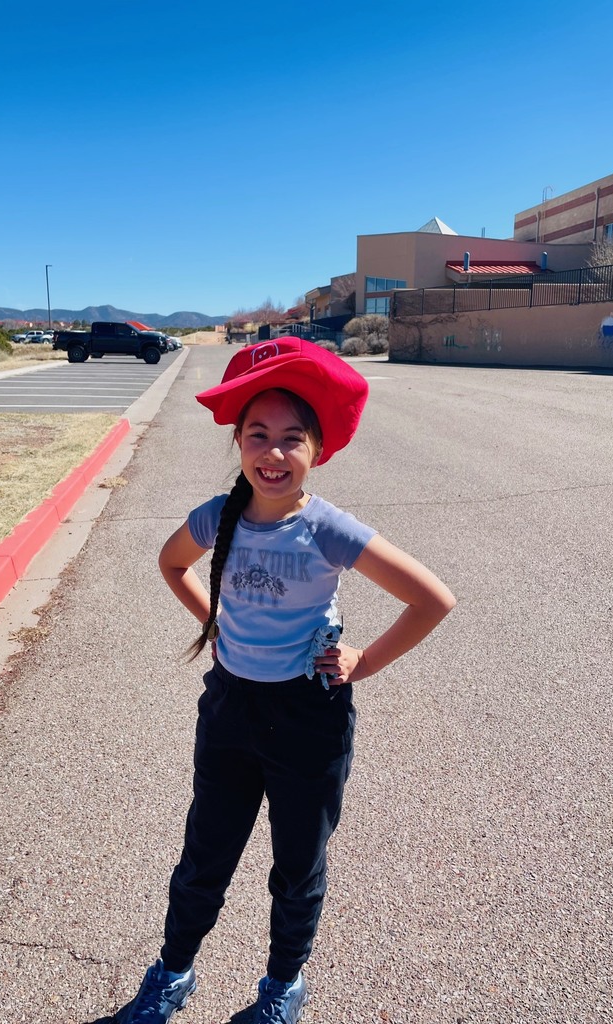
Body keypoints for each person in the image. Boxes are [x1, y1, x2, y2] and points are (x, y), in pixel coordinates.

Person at [119, 337, 456, 1023]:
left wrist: (364, 661)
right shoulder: (218, 517)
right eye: (258, 435)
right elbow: (172, 563)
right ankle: (173, 972)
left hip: (308, 718)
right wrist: (218, 624)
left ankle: (282, 988)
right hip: (231, 710)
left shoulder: (328, 529)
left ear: (319, 451)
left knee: (297, 868)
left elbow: (432, 599)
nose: (273, 453)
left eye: (291, 439)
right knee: (204, 855)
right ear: (238, 442)